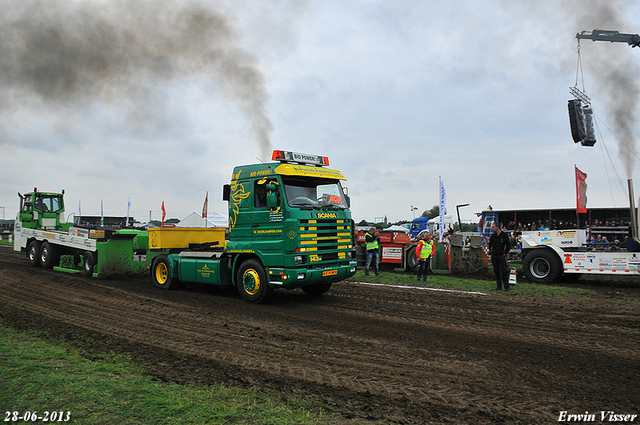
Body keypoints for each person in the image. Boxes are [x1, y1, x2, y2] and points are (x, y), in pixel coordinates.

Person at [489, 222, 511, 292]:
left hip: (501, 255)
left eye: (493, 227)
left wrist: (505, 252)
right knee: (496, 271)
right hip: (494, 255)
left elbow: (508, 244)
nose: (492, 228)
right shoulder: (493, 236)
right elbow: (490, 245)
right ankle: (499, 286)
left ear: (497, 227)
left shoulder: (504, 235)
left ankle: (506, 287)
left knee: (504, 270)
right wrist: (491, 252)